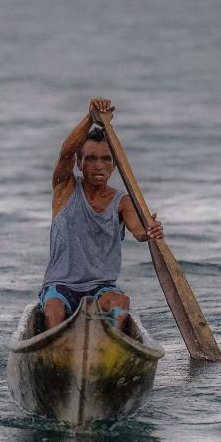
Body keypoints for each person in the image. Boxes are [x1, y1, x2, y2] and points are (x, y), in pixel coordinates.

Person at [38, 98, 164, 332]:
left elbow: (139, 231)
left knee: (120, 303)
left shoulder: (122, 202)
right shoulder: (65, 189)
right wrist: (90, 117)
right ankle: (57, 348)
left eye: (106, 159)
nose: (99, 165)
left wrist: (151, 231)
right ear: (79, 163)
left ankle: (109, 344)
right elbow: (65, 153)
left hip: (101, 288)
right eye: (91, 159)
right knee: (54, 310)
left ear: (114, 165)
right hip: (61, 286)